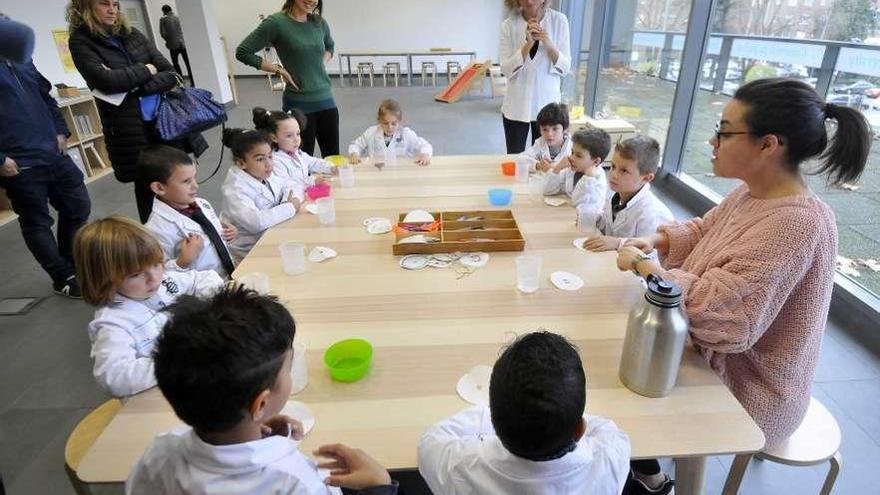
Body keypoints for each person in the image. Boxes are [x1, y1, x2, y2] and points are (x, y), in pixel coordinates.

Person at [615, 78, 870, 494]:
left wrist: (646, 266)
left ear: (769, 145)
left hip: (752, 390)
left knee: (621, 381)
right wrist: (658, 241)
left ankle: (650, 476)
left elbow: (725, 318)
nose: (713, 141)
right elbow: (703, 231)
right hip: (714, 354)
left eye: (725, 131)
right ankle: (644, 470)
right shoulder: (750, 194)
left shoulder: (797, 223)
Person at [126, 285, 399, 495]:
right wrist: (379, 486)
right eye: (288, 368)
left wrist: (256, 431)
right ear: (260, 404)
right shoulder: (296, 480)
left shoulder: (160, 453)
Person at [418, 331, 630, 494]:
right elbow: (605, 429)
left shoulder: (461, 467)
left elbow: (430, 441)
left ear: (494, 421)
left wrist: (488, 413)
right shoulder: (610, 458)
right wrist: (559, 410)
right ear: (580, 430)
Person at [67, 0, 205, 224]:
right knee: (148, 189)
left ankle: (196, 232)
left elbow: (170, 74)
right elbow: (107, 81)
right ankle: (158, 247)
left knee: (180, 181)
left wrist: (132, 83)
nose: (112, 9)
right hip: (130, 129)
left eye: (115, 4)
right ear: (85, 7)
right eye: (104, 4)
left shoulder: (133, 34)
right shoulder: (81, 42)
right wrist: (146, 69)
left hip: (164, 122)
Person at [73, 216, 224, 397]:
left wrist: (208, 309)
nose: (154, 277)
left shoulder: (162, 282)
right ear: (104, 278)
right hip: (161, 398)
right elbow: (114, 377)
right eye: (135, 274)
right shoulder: (113, 323)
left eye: (156, 264)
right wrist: (179, 361)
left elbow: (206, 278)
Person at [1, 15, 91, 298]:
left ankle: (70, 259)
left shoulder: (22, 59)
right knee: (37, 222)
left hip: (52, 152)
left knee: (78, 206)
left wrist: (61, 129)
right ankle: (62, 275)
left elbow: (46, 96)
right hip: (19, 162)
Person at [236, 0, 340, 158]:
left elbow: (330, 46)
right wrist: (279, 70)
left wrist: (320, 64)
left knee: (333, 159)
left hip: (326, 101)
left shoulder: (319, 23)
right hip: (299, 106)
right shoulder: (276, 23)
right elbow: (243, 51)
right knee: (300, 161)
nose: (312, 0)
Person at [141, 145, 237, 278]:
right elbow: (159, 276)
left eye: (194, 178)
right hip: (202, 291)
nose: (195, 186)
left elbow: (208, 228)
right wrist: (182, 262)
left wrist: (224, 229)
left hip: (228, 273)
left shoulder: (201, 204)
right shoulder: (155, 230)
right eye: (186, 181)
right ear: (159, 187)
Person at [499, 0, 571, 153]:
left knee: (546, 158)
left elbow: (565, 68)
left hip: (547, 106)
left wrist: (548, 43)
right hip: (516, 106)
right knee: (515, 158)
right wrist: (527, 44)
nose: (529, 1)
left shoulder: (559, 21)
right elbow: (505, 69)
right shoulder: (508, 25)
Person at [221, 128, 300, 261]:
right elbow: (256, 222)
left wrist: (287, 203)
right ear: (241, 163)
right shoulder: (235, 189)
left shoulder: (262, 172)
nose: (269, 164)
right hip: (250, 251)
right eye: (260, 159)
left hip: (275, 232)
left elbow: (290, 185)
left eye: (270, 156)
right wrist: (289, 207)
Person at [583, 135, 674, 251]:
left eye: (624, 171)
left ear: (646, 178)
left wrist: (618, 243)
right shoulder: (618, 193)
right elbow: (610, 226)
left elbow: (649, 254)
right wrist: (594, 218)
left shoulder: (652, 213)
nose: (614, 175)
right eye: (613, 166)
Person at [252, 107, 336, 193]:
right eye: (289, 136)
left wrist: (331, 167)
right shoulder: (275, 161)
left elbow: (312, 162)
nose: (296, 139)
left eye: (298, 133)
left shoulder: (296, 152)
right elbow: (287, 185)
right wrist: (312, 181)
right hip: (292, 200)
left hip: (304, 195)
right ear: (273, 137)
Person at [543, 128, 610, 228]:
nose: (572, 158)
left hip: (586, 227)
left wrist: (588, 178)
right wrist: (557, 168)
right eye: (572, 152)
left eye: (578, 155)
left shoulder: (596, 180)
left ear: (595, 162)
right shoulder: (573, 169)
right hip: (568, 218)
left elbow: (576, 202)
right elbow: (548, 190)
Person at [348, 99, 433, 166]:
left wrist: (425, 154)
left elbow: (424, 145)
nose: (390, 127)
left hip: (401, 173)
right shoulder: (371, 132)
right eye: (385, 123)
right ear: (379, 121)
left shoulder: (406, 134)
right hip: (377, 172)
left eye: (394, 124)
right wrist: (354, 153)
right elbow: (356, 145)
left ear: (399, 122)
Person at [514, 102, 573, 174]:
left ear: (564, 129)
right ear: (540, 131)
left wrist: (555, 167)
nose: (549, 134)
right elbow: (519, 160)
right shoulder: (540, 143)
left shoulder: (573, 146)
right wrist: (538, 165)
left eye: (555, 129)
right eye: (545, 129)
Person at [159, 4, 193, 84]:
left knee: (175, 63)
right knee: (188, 63)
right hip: (183, 44)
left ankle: (181, 81)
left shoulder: (163, 20)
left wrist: (168, 41)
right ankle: (193, 81)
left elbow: (163, 33)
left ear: (164, 11)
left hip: (173, 46)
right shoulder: (178, 18)